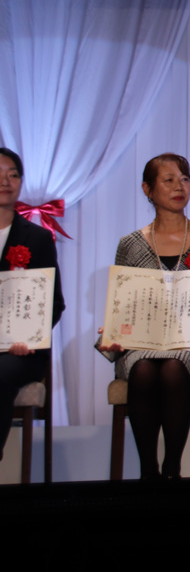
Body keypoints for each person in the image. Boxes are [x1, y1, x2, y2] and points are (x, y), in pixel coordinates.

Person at [98, 153, 190, 480]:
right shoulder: (130, 245)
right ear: (147, 189)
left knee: (173, 366)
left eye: (185, 179)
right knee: (144, 369)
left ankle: (172, 468)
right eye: (169, 180)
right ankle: (149, 471)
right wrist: (113, 333)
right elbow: (122, 302)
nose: (179, 187)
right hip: (141, 346)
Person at [0, 148, 66, 463]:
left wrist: (28, 336)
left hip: (22, 352)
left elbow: (54, 303)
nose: (5, 181)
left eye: (13, 175)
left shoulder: (37, 238)